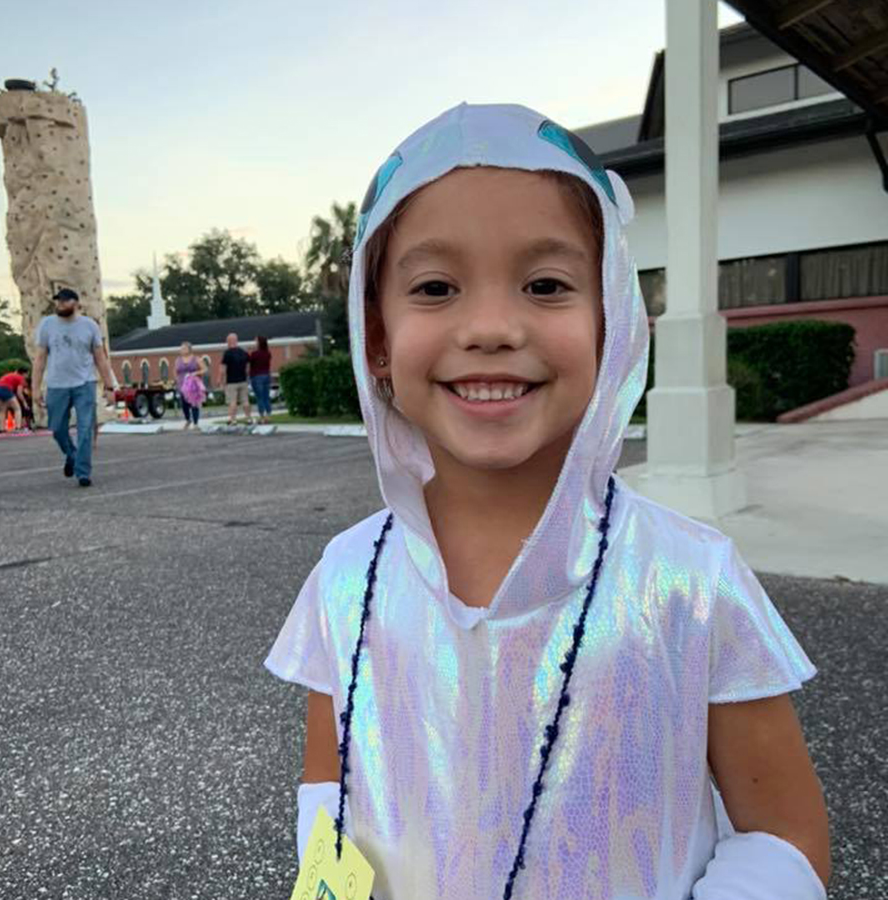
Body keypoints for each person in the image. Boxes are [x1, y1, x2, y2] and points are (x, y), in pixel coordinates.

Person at [264, 104, 830, 900]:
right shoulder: (346, 580)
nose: (491, 327)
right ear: (378, 339)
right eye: (435, 287)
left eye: (546, 285)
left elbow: (784, 833)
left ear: (613, 321)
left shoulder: (688, 583)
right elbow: (330, 794)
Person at [31, 288, 117, 487]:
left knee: (85, 428)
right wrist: (35, 388)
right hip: (56, 385)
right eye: (58, 301)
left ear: (76, 303)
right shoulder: (47, 325)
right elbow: (40, 358)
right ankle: (72, 455)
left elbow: (100, 358)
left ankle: (83, 472)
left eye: (64, 301)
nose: (60, 305)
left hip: (84, 383)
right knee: (57, 429)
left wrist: (109, 387)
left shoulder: (89, 326)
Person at [219, 333, 250, 425]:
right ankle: (248, 418)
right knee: (245, 400)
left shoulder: (227, 353)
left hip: (231, 382)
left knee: (232, 402)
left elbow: (223, 369)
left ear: (229, 341)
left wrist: (221, 381)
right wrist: (245, 375)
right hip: (243, 380)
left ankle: (233, 420)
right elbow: (248, 367)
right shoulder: (243, 352)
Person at [175, 341, 207, 429]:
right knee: (184, 403)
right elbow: (176, 372)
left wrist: (196, 373)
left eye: (184, 348)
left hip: (193, 384)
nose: (182, 350)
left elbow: (204, 369)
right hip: (182, 384)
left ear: (189, 349)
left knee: (194, 403)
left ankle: (196, 423)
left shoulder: (196, 359)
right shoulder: (178, 360)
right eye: (181, 348)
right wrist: (176, 380)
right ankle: (188, 419)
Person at [0, 366, 30, 431]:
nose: (27, 376)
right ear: (24, 374)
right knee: (17, 408)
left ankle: (2, 428)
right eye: (27, 374)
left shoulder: (12, 375)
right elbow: (19, 393)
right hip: (5, 388)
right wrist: (24, 403)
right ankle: (18, 427)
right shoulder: (21, 378)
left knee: (2, 410)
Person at [248, 335, 273, 424]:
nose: (255, 343)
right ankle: (268, 416)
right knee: (266, 397)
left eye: (256, 341)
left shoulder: (255, 354)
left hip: (257, 377)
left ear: (259, 342)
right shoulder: (268, 353)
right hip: (266, 376)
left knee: (260, 398)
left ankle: (262, 417)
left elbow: (249, 362)